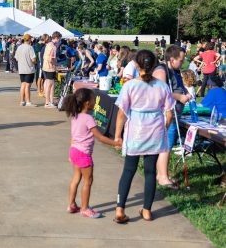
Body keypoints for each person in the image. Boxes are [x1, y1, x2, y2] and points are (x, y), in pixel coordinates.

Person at [114, 50, 174, 223]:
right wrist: (164, 127)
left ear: (137, 65)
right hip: (155, 131)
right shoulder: (162, 86)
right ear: (154, 65)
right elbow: (169, 114)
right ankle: (147, 210)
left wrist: (118, 136)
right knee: (150, 172)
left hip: (135, 132)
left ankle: (120, 209)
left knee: (128, 171)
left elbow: (121, 113)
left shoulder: (130, 85)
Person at [64, 88, 120, 218]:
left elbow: (73, 136)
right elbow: (100, 137)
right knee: (88, 181)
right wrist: (116, 143)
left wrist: (71, 152)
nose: (96, 102)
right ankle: (85, 208)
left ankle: (71, 205)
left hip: (74, 151)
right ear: (87, 103)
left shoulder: (75, 116)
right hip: (83, 154)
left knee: (76, 178)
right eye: (94, 100)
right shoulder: (88, 118)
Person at [153, 45, 191, 188]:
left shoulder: (175, 70)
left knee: (167, 143)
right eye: (181, 60)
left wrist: (186, 92)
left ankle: (161, 174)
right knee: (166, 145)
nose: (183, 62)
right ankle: (163, 177)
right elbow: (162, 91)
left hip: (175, 113)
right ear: (172, 59)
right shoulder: (163, 70)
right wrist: (180, 97)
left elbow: (178, 86)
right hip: (168, 114)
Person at [14, 34, 37, 106]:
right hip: (29, 69)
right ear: (29, 39)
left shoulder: (19, 47)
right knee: (27, 86)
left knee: (23, 85)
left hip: (21, 69)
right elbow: (33, 59)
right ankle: (28, 102)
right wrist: (34, 62)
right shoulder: (30, 48)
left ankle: (22, 101)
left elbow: (16, 58)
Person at [43, 32, 61, 108]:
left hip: (45, 67)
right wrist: (57, 65)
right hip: (50, 68)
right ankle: (47, 103)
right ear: (56, 38)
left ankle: (50, 102)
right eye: (59, 39)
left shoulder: (48, 45)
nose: (59, 40)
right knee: (49, 85)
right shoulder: (53, 47)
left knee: (49, 85)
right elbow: (51, 60)